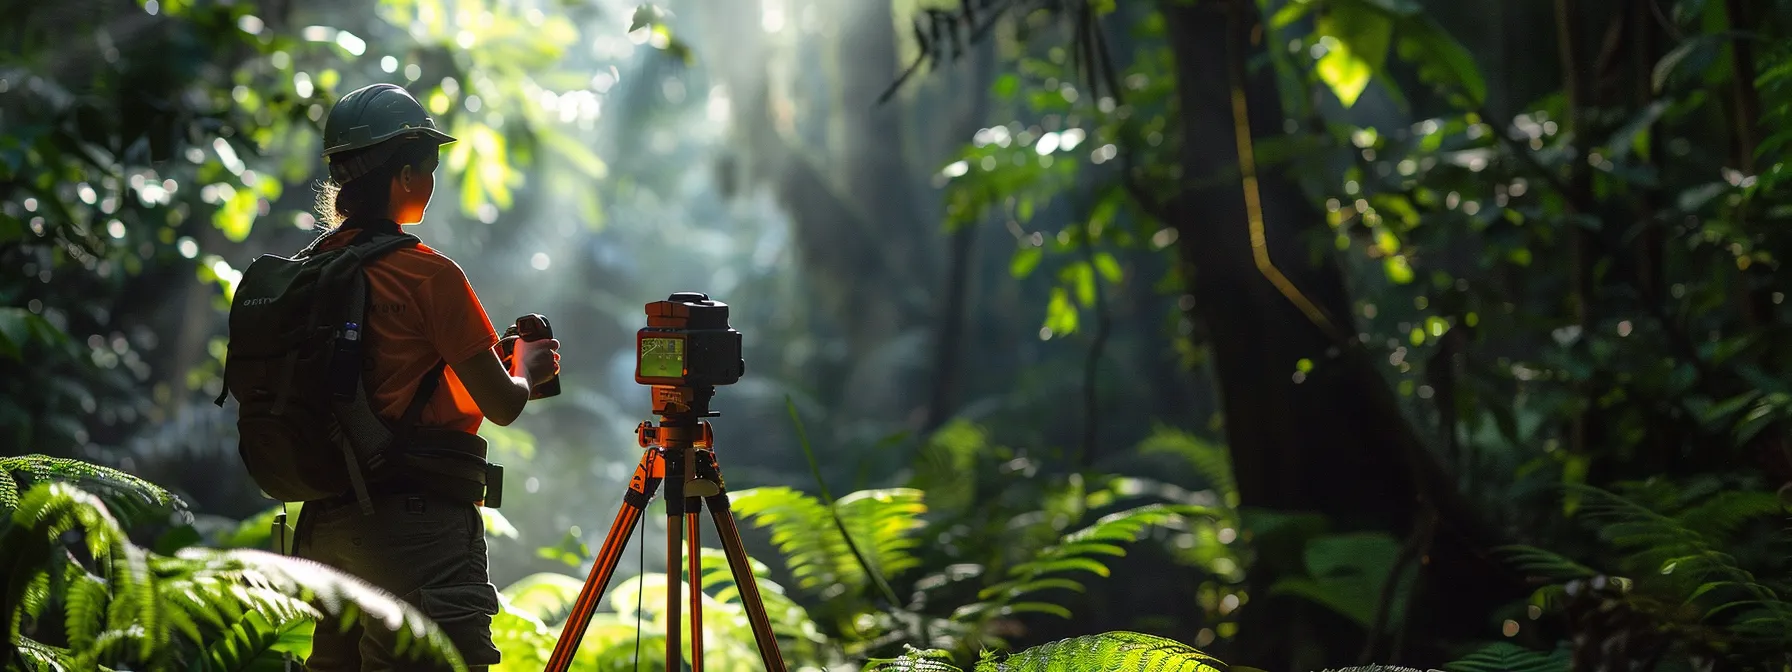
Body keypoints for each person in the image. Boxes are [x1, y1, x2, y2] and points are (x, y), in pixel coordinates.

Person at [292, 83, 560, 671]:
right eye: (430, 165)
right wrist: (527, 370)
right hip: (414, 534)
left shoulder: (310, 271)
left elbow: (382, 387)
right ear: (405, 173)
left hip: (326, 529)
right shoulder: (428, 276)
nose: (434, 180)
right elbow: (502, 404)